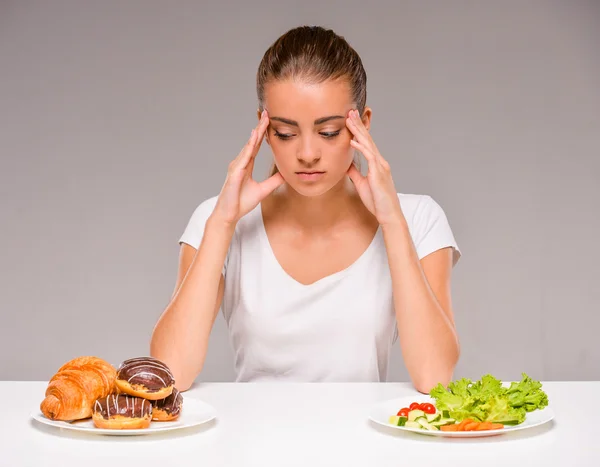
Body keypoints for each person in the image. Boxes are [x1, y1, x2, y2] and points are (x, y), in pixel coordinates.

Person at [150, 25, 461, 393]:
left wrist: (391, 221)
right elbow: (168, 375)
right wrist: (221, 223)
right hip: (249, 446)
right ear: (264, 131)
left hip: (366, 447)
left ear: (362, 126)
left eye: (328, 131)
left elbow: (435, 377)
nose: (307, 153)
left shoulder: (418, 219)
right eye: (285, 132)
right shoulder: (217, 219)